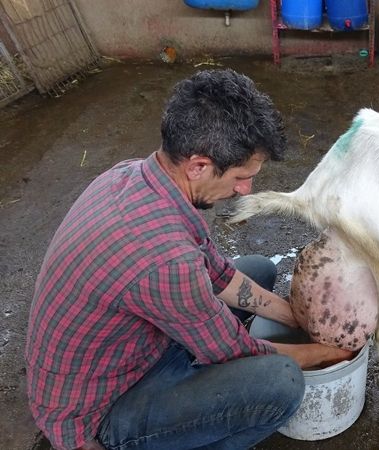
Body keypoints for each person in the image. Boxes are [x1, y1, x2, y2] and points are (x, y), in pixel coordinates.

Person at [25, 69, 353, 450]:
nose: (246, 189)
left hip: (134, 346)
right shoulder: (166, 259)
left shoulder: (135, 175)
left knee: (258, 270)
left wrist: (296, 317)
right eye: (241, 177)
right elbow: (232, 350)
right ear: (198, 166)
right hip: (102, 410)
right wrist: (328, 354)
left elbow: (216, 272)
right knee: (282, 382)